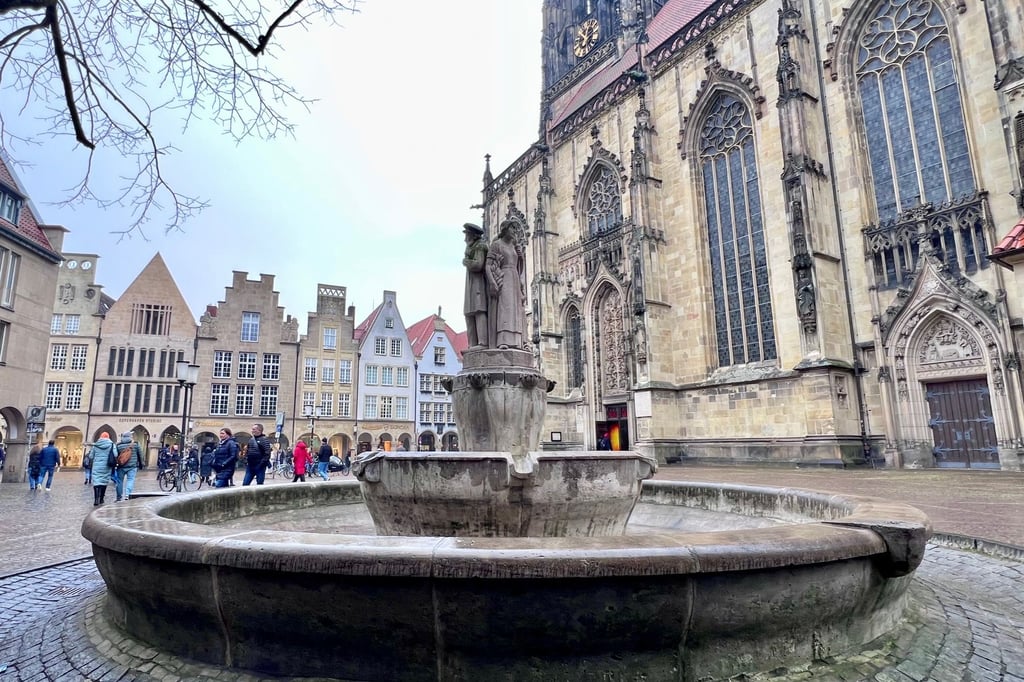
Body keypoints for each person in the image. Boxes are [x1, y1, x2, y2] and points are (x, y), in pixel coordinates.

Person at [486, 221, 527, 350]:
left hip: (514, 277)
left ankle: (517, 341)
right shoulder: (496, 245)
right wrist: (492, 282)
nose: (515, 231)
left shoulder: (514, 247)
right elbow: (488, 265)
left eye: (515, 228)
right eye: (512, 228)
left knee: (516, 309)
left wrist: (521, 258)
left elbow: (519, 268)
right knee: (505, 307)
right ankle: (502, 340)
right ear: (505, 229)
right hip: (504, 276)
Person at [462, 222, 489, 349]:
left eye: (467, 235)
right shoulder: (471, 248)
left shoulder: (480, 246)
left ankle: (482, 342)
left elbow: (478, 265)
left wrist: (466, 262)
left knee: (479, 310)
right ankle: (472, 343)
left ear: (473, 236)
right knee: (469, 313)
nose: (465, 238)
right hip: (470, 284)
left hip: (478, 284)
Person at [89, 432, 116, 506]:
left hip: (96, 466)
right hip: (106, 466)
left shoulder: (96, 445)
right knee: (104, 481)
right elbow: (115, 454)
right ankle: (101, 499)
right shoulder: (111, 445)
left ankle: (96, 500)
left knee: (96, 482)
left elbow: (91, 456)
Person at [114, 432, 142, 501]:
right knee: (130, 480)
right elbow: (140, 454)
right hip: (132, 466)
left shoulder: (118, 445)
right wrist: (141, 464)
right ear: (130, 436)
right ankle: (127, 495)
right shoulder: (135, 444)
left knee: (119, 481)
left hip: (121, 466)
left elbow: (115, 456)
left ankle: (119, 497)